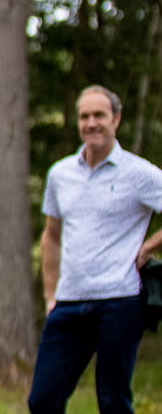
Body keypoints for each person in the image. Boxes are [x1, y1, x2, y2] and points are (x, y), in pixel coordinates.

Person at [28, 85, 162, 414]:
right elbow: (52, 236)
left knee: (113, 401)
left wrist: (148, 247)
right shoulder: (60, 174)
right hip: (69, 303)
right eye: (84, 116)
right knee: (42, 400)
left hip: (120, 301)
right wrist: (50, 295)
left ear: (115, 119)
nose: (91, 123)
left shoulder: (139, 173)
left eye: (99, 115)